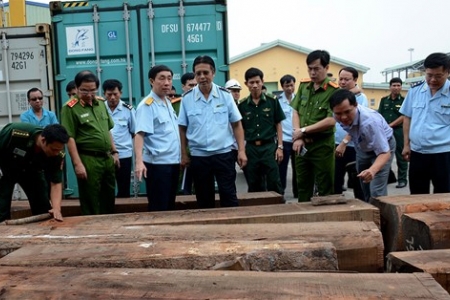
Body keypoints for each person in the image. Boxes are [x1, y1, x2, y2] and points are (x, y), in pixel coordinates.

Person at [178, 55, 247, 208]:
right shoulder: (187, 99)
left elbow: (237, 124)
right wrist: (183, 154)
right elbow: (182, 128)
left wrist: (241, 151)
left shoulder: (225, 95)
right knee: (203, 199)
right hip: (199, 157)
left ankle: (231, 229)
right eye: (198, 74)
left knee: (228, 195)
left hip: (223, 154)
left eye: (205, 73)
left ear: (213, 73)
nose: (202, 77)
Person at [60, 70, 119, 215]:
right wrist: (78, 164)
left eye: (92, 90)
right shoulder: (70, 108)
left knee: (109, 196)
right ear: (77, 88)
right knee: (91, 198)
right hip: (88, 159)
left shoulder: (100, 103)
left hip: (107, 158)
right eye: (84, 90)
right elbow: (69, 137)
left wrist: (115, 152)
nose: (89, 94)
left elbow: (107, 130)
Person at [330, 89, 395, 202]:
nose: (343, 117)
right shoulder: (337, 114)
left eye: (347, 112)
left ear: (355, 105)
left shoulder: (370, 122)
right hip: (362, 147)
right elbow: (351, 128)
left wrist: (373, 170)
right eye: (339, 113)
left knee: (376, 192)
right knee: (364, 185)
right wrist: (344, 142)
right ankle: (368, 213)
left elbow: (385, 152)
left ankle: (381, 217)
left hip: (382, 148)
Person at [291, 50, 338, 202]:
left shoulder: (334, 91)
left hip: (322, 146)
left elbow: (331, 120)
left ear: (327, 68)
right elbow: (296, 111)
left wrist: (303, 131)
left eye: (316, 69)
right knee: (303, 187)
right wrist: (298, 137)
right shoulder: (304, 86)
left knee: (325, 187)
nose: (312, 72)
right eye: (310, 68)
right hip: (302, 146)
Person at [400, 52, 450, 194]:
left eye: (438, 76)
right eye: (429, 75)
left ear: (447, 72)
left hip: (443, 154)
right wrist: (406, 145)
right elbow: (407, 117)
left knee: (444, 195)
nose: (432, 80)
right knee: (417, 194)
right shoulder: (415, 91)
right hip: (418, 153)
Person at [0, 123, 69, 222]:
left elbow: (56, 183)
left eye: (59, 150)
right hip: (8, 169)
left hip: (33, 174)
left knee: (43, 209)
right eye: (53, 149)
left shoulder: (57, 155)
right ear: (43, 140)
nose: (56, 153)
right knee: (2, 206)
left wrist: (57, 209)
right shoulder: (15, 132)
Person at [134, 65, 181, 211]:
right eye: (162, 78)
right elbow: (139, 134)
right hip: (158, 166)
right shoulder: (147, 105)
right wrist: (139, 162)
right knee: (159, 207)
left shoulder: (167, 102)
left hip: (173, 162)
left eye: (169, 78)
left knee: (169, 205)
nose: (166, 82)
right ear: (151, 81)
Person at [238, 68, 285, 195]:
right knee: (254, 183)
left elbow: (278, 124)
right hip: (252, 149)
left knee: (274, 181)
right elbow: (240, 129)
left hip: (269, 147)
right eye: (251, 82)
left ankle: (278, 209)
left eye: (257, 82)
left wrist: (280, 147)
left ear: (262, 82)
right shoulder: (242, 105)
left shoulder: (272, 101)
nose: (255, 85)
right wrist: (241, 150)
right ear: (246, 84)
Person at [334, 67, 368, 198]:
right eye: (341, 79)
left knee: (357, 181)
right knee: (336, 181)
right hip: (336, 144)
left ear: (355, 80)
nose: (342, 82)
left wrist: (345, 142)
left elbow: (357, 123)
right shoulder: (336, 96)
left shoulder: (360, 98)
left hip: (353, 146)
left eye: (346, 79)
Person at [103, 79, 136, 198]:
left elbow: (134, 132)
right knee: (106, 188)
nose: (112, 97)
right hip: (105, 155)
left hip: (124, 155)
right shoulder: (100, 109)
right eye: (109, 94)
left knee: (123, 188)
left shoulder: (128, 110)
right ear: (104, 94)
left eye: (115, 94)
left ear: (120, 93)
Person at [378, 77, 408, 189]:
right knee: (383, 154)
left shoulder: (404, 100)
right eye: (394, 85)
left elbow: (404, 116)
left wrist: (391, 125)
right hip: (385, 132)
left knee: (401, 156)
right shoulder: (384, 100)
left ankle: (402, 179)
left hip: (399, 131)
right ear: (390, 87)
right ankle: (387, 178)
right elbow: (379, 114)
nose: (396, 87)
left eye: (398, 85)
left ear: (401, 87)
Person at [277, 74, 298, 198]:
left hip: (296, 139)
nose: (289, 88)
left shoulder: (299, 99)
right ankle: (281, 192)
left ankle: (297, 192)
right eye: (287, 86)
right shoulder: (277, 101)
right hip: (284, 140)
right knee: (282, 168)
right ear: (282, 86)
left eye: (291, 85)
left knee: (298, 168)